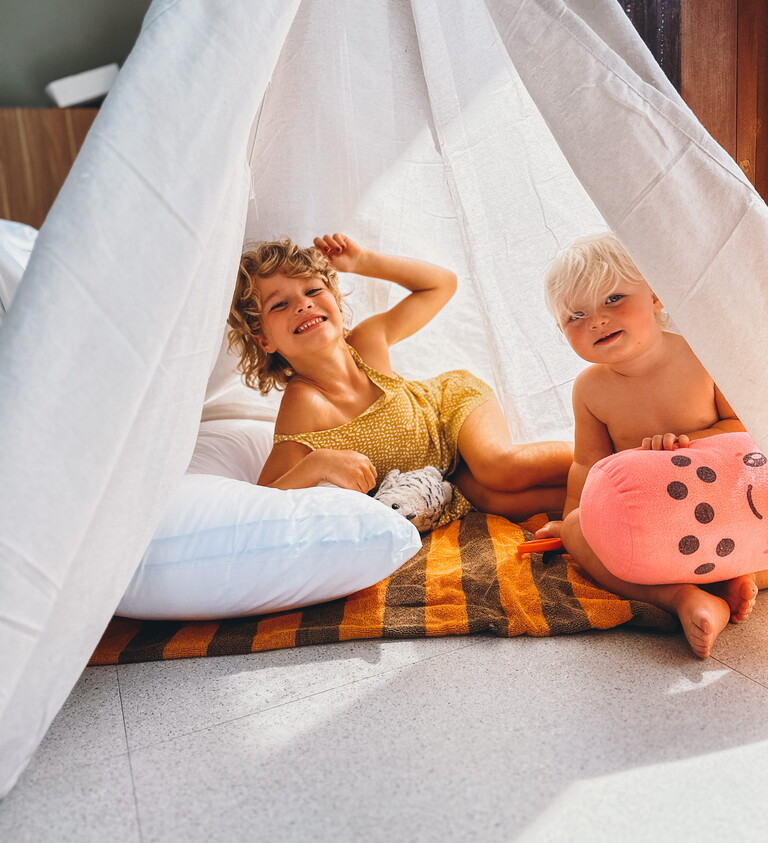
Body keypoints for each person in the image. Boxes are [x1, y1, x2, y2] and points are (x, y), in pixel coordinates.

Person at [227, 233, 572, 523]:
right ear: (264, 340)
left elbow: (441, 285)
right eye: (280, 305)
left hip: (449, 411)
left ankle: (608, 456)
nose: (302, 305)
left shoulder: (368, 341)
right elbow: (263, 498)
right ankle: (600, 491)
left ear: (334, 299)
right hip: (441, 474)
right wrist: (318, 464)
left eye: (313, 291)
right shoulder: (305, 403)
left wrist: (364, 262)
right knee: (495, 501)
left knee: (498, 468)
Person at [534, 232, 759, 658]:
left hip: (720, 509)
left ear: (656, 295)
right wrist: (570, 519)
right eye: (576, 315)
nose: (597, 320)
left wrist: (690, 444)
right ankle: (683, 596)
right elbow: (588, 463)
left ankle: (732, 577)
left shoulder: (700, 356)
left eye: (614, 298)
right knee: (579, 531)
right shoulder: (590, 389)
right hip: (653, 529)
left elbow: (744, 430)